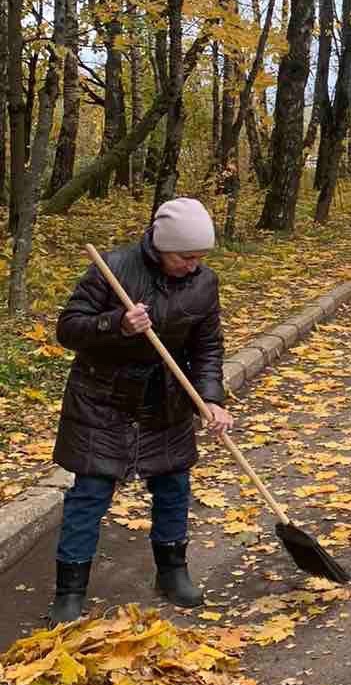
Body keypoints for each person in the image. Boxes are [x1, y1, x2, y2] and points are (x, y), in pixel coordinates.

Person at [48, 197, 234, 625]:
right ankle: (69, 590)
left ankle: (172, 572)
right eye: (185, 257)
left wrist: (210, 398)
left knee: (173, 486)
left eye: (200, 258)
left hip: (165, 400)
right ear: (161, 245)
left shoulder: (204, 283)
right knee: (90, 495)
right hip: (103, 401)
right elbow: (68, 328)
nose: (193, 265)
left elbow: (207, 347)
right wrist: (117, 324)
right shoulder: (113, 268)